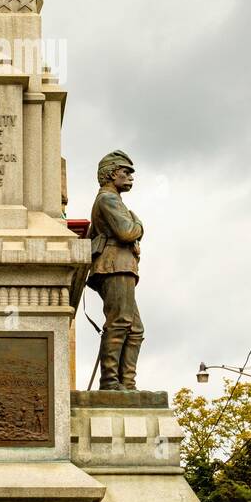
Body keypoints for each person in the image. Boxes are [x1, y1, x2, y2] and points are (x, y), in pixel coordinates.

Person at [86, 150, 145, 391]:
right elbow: (127, 232)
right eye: (126, 171)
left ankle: (127, 383)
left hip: (121, 265)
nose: (131, 177)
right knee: (120, 322)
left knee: (135, 328)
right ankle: (110, 382)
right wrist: (139, 224)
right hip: (114, 265)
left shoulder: (114, 200)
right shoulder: (108, 199)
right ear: (111, 173)